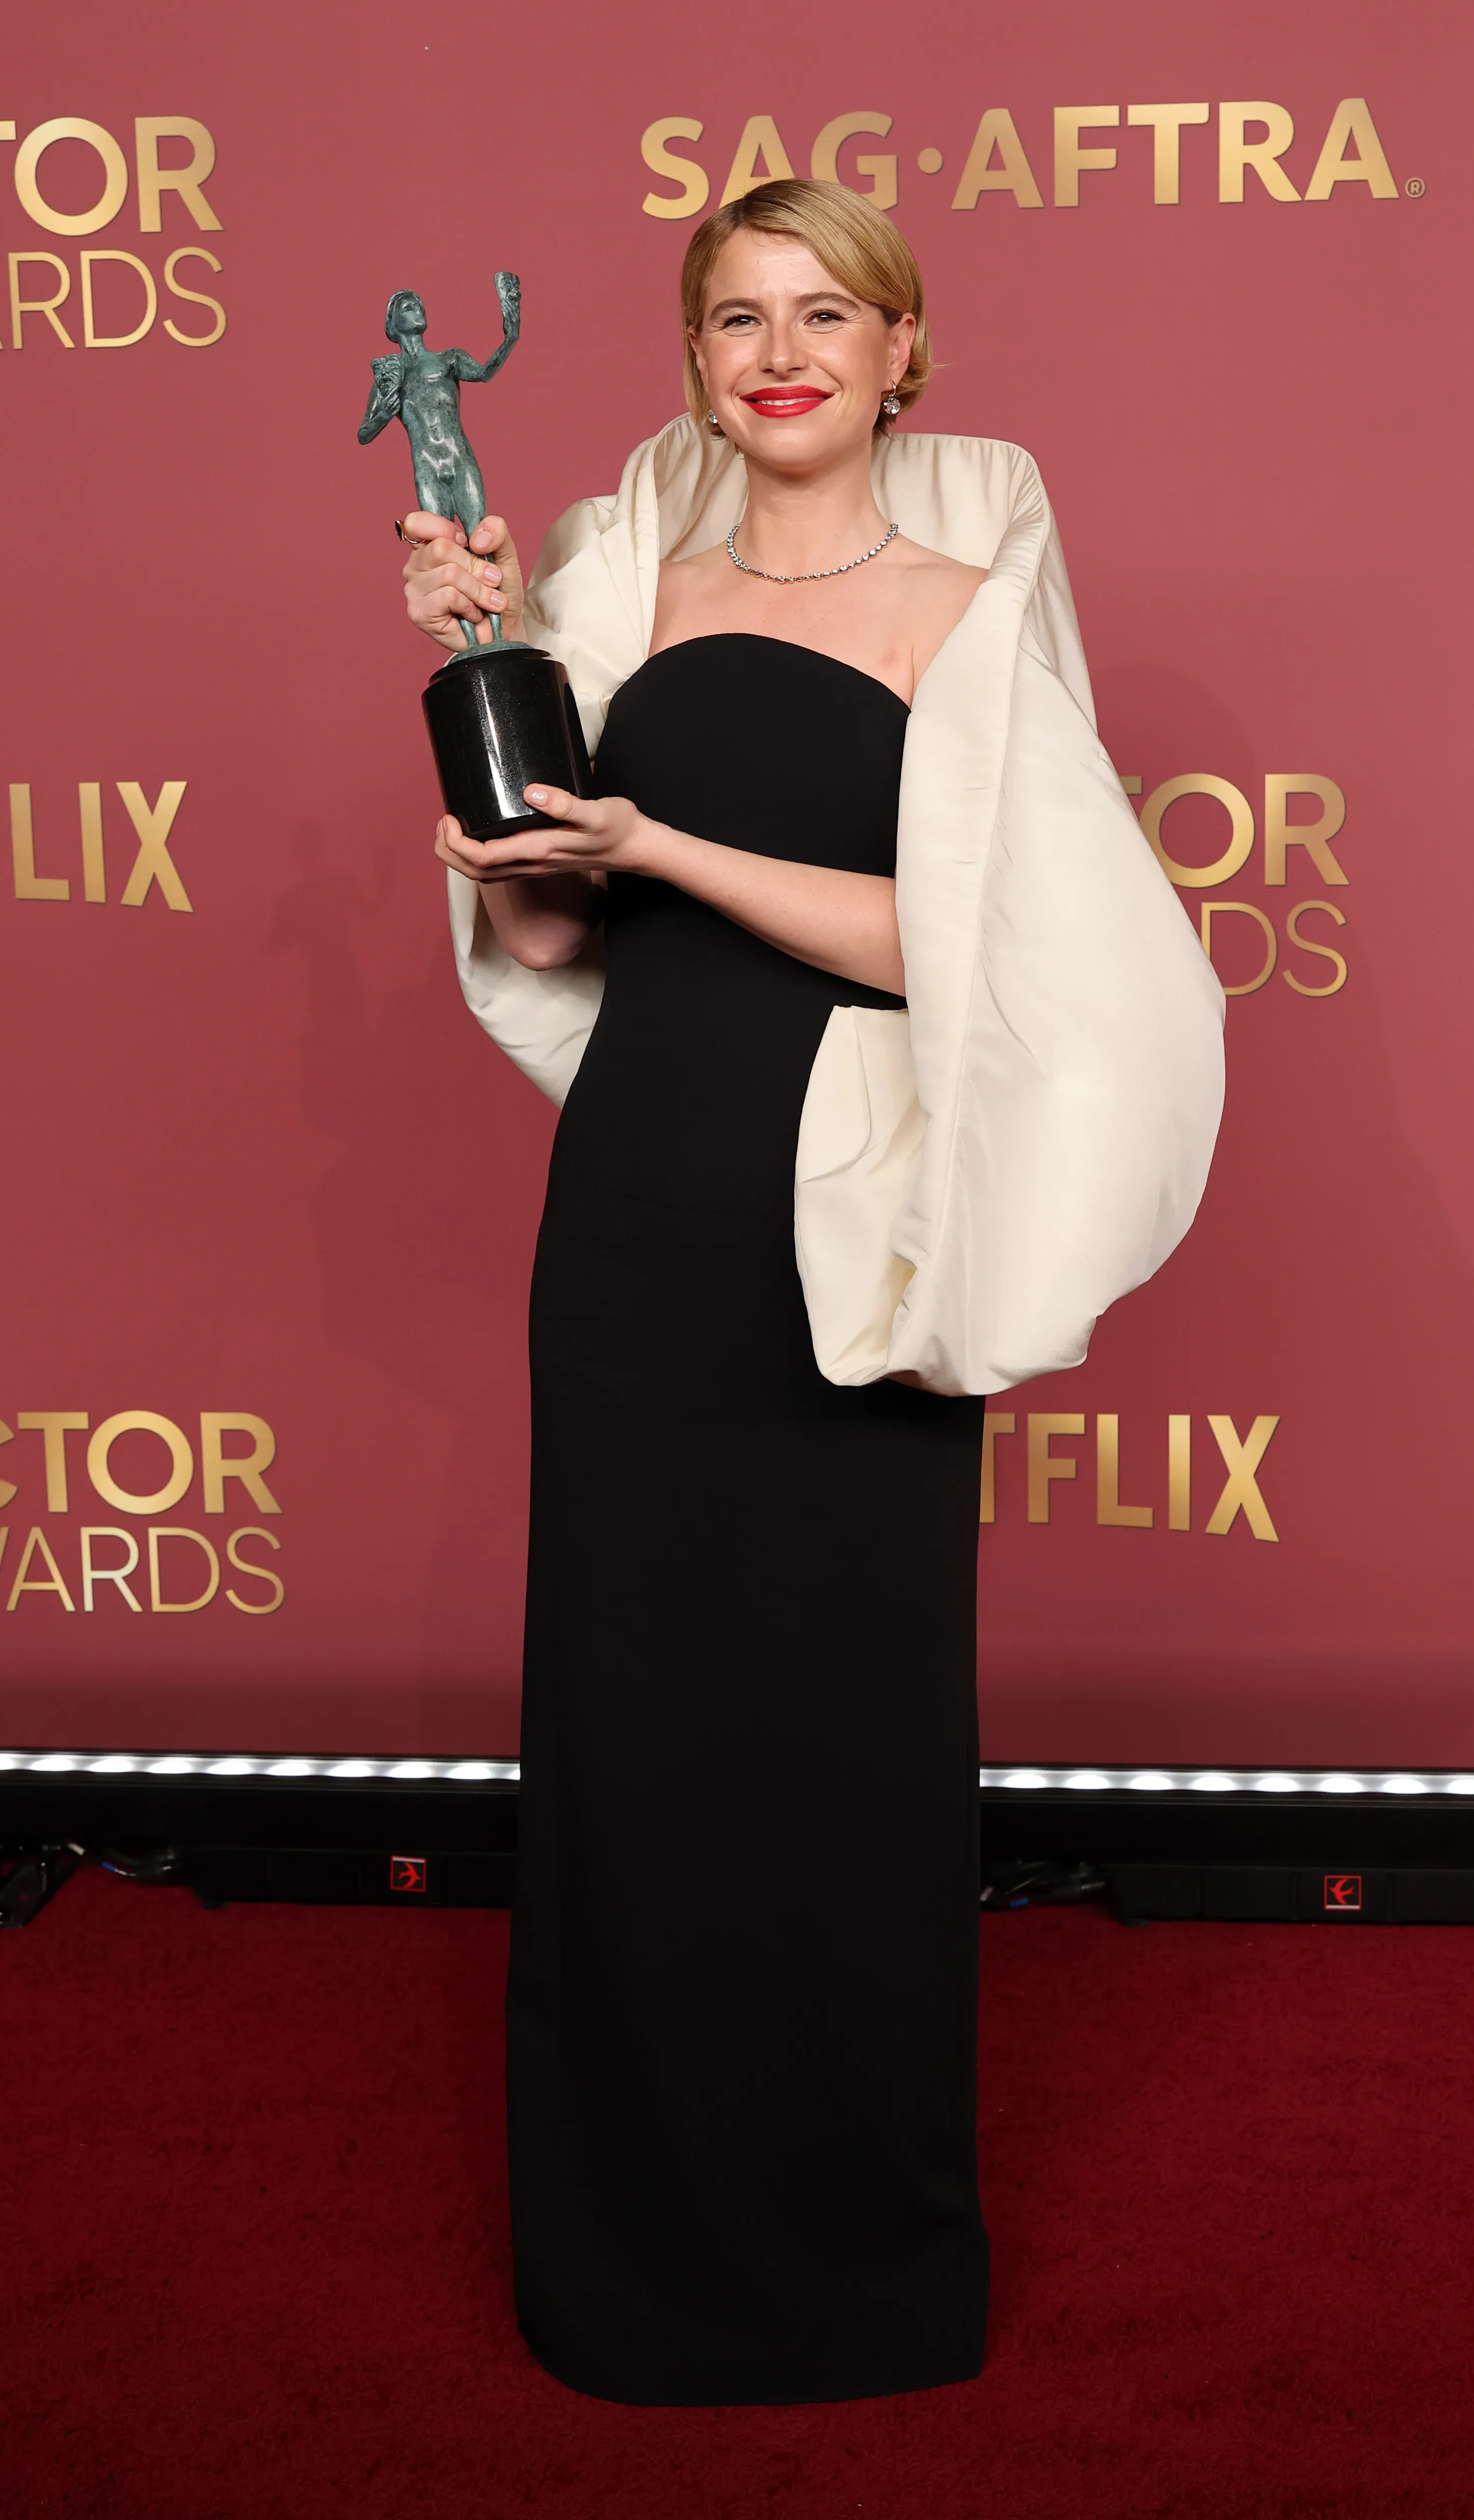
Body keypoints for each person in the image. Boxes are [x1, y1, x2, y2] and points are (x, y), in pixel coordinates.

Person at [397, 178, 1224, 2406]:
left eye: (825, 315)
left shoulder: (967, 606)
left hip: (855, 1216)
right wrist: (473, 672)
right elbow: (552, 933)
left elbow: (968, 952)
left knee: (845, 1729)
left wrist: (657, 840)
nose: (780, 355)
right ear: (693, 360)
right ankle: (630, 2256)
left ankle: (853, 2263)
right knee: (635, 1722)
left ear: (900, 352)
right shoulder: (615, 590)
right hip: (641, 1201)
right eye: (737, 318)